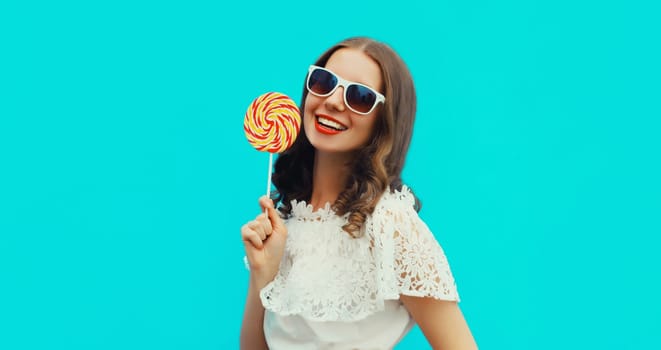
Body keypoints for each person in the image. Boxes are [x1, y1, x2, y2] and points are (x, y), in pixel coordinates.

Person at [240, 37, 477, 349]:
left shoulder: (391, 226)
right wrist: (262, 273)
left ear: (384, 121)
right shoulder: (286, 222)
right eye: (324, 82)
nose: (334, 102)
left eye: (360, 96)